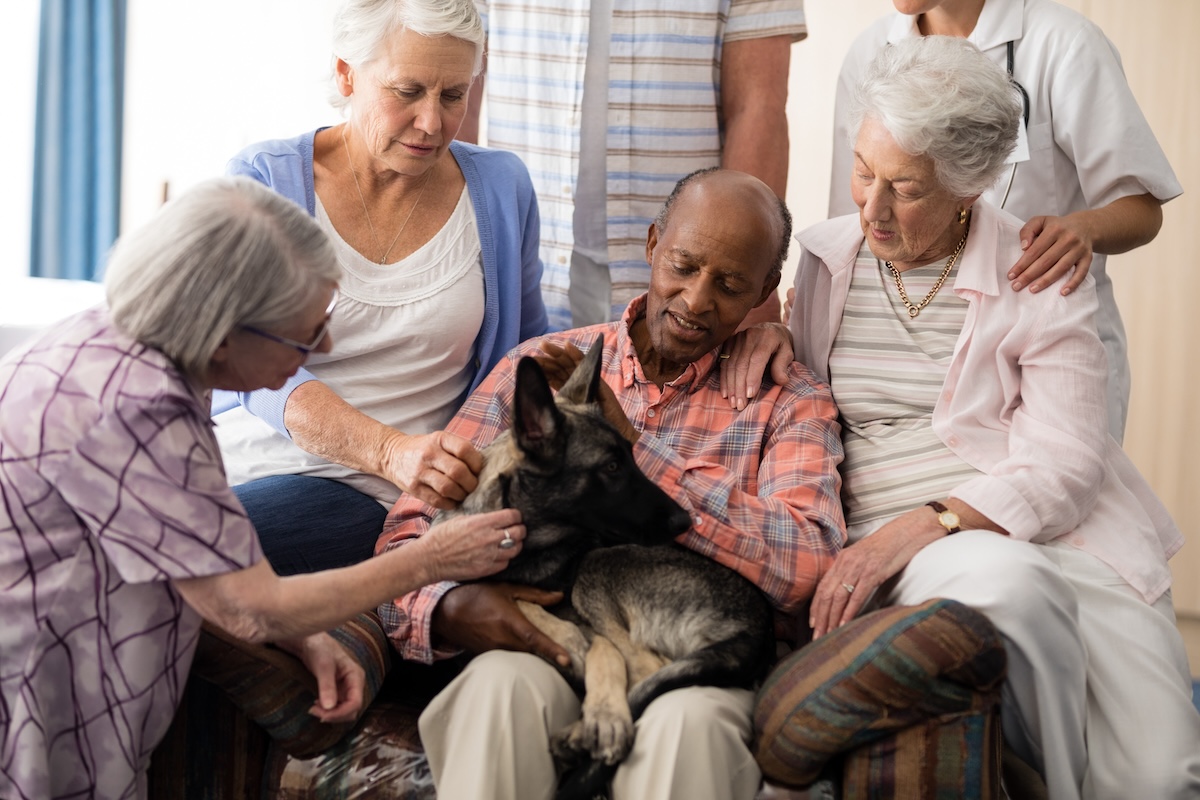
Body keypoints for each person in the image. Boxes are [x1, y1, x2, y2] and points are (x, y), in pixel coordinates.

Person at [0, 177, 530, 800]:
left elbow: (189, 549)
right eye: (303, 336)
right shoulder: (139, 410)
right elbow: (249, 607)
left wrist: (299, 632)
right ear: (220, 331)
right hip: (40, 691)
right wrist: (430, 560)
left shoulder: (121, 342)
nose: (324, 348)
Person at [785, 36, 1200, 799]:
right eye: (863, 171)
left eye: (904, 189)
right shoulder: (823, 262)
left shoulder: (1037, 263)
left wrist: (928, 521)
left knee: (1162, 775)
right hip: (917, 546)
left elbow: (1069, 461)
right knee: (1007, 585)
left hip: (1065, 532)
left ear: (969, 187)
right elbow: (798, 410)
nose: (870, 208)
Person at [377, 169, 845, 800]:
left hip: (693, 655)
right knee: (499, 690)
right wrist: (449, 608)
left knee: (688, 726)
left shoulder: (788, 400)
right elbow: (406, 535)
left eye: (732, 285)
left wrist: (635, 452)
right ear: (653, 244)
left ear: (766, 291)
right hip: (553, 637)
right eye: (683, 264)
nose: (698, 299)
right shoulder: (539, 369)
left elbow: (808, 564)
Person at [211, 0, 549, 576]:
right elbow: (244, 363)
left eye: (452, 95)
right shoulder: (267, 180)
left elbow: (530, 347)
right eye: (407, 90)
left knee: (166, 558)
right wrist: (388, 450)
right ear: (346, 72)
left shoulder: (501, 187)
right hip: (251, 461)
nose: (432, 123)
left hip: (383, 498)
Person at [828, 0, 1182, 442]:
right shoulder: (871, 51)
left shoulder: (1062, 43)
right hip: (905, 365)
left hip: (1040, 351)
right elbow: (851, 225)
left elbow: (1142, 207)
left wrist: (1083, 228)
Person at [460, 0, 804, 330]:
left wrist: (746, 296)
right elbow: (458, 87)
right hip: (519, 266)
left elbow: (757, 109)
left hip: (691, 287)